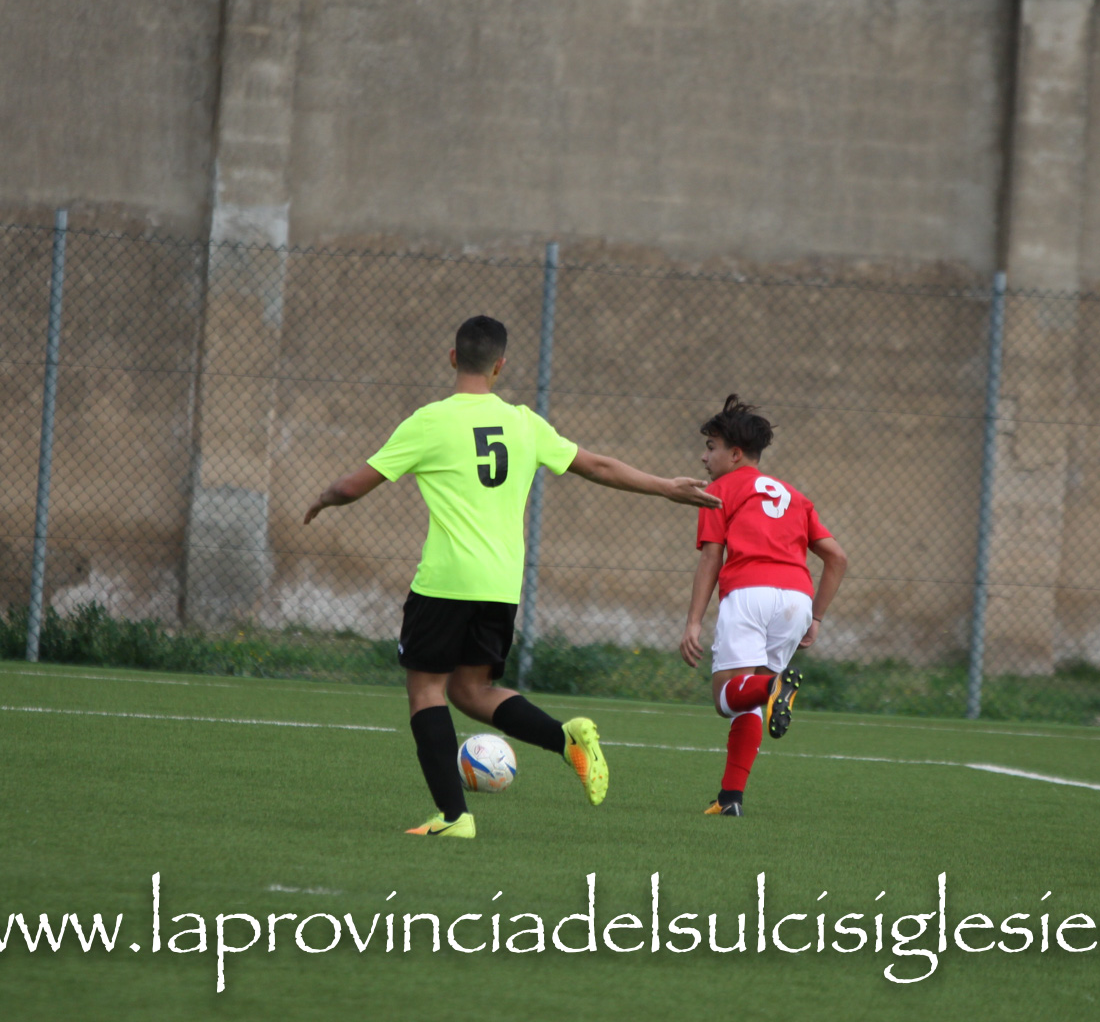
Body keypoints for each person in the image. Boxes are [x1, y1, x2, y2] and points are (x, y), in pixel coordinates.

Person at [303, 315, 720, 839]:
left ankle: (453, 818)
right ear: (500, 366)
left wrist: (323, 499)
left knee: (427, 691)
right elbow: (598, 466)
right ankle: (564, 739)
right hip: (500, 585)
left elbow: (351, 486)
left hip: (446, 581)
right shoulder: (525, 423)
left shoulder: (430, 421)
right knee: (470, 689)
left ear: (452, 358)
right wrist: (665, 487)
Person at [678, 396, 847, 816]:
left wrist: (693, 622)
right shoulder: (794, 496)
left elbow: (711, 558)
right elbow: (837, 558)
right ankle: (730, 799)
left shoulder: (719, 491)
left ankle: (773, 686)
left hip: (749, 595)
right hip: (796, 600)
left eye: (711, 448)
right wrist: (816, 617)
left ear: (735, 454)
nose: (704, 457)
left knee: (725, 699)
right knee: (749, 702)